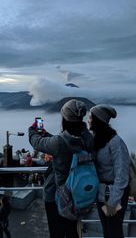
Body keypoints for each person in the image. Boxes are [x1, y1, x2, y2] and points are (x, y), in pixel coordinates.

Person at [28, 99, 93, 238]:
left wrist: (33, 130)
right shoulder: (88, 138)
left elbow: (37, 142)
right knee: (71, 231)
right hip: (78, 193)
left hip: (58, 197)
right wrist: (46, 134)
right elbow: (65, 142)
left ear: (65, 118)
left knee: (56, 233)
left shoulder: (58, 143)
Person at [88, 104, 130, 238]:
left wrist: (113, 201)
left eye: (91, 117)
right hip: (102, 192)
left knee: (114, 231)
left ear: (98, 120)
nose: (88, 120)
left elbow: (122, 174)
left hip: (114, 193)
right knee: (107, 230)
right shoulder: (98, 139)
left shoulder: (116, 142)